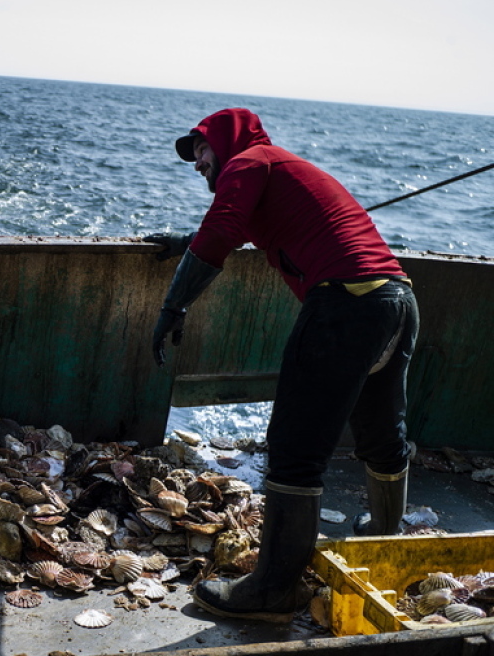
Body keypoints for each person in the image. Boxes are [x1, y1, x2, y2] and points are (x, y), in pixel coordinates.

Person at [145, 108, 418, 622]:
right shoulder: (274, 168)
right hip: (394, 298)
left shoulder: (248, 161)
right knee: (382, 432)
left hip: (344, 305)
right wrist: (185, 244)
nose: (198, 163)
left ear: (227, 142)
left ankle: (273, 589)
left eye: (202, 149)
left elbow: (223, 228)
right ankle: (386, 537)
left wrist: (173, 306)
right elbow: (237, 226)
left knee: (295, 449)